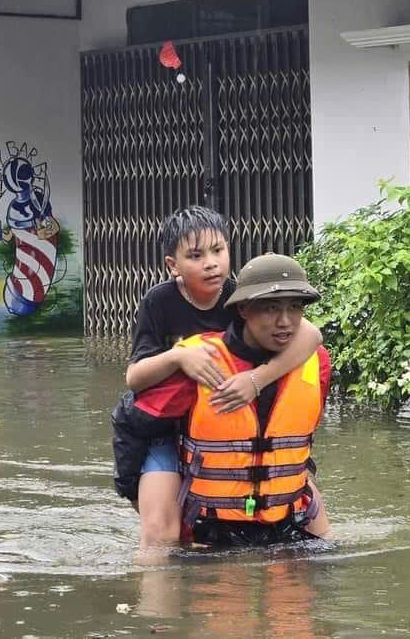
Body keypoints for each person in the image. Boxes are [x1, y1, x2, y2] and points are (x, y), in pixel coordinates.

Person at [111, 207, 324, 549]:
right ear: (172, 265)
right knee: (162, 536)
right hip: (166, 423)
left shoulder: (237, 294)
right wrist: (179, 355)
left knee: (311, 518)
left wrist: (255, 380)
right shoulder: (159, 301)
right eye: (196, 256)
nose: (211, 263)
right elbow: (135, 378)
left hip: (225, 411)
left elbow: (311, 335)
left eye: (218, 251)